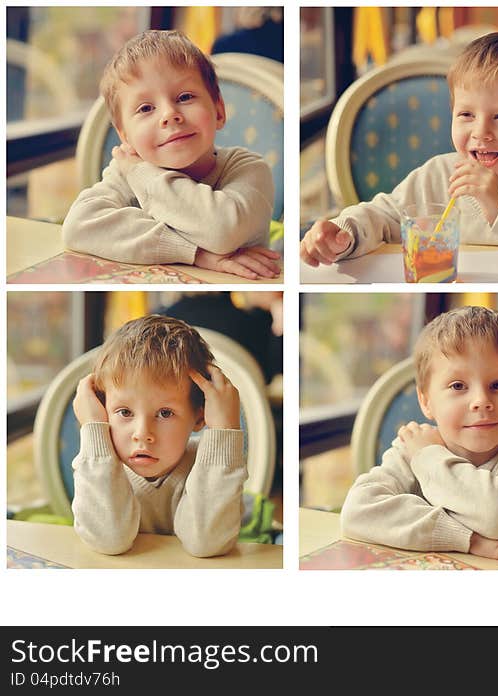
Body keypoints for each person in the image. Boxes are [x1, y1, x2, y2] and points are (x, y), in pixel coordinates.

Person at [300, 32, 498, 275]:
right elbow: (384, 217)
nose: (481, 132)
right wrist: (344, 234)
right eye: (466, 114)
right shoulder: (437, 175)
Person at [340, 305, 498, 567]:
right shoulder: (411, 450)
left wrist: (430, 457)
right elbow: (357, 513)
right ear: (426, 401)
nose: (481, 401)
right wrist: (475, 542)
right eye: (458, 386)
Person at [62, 30, 280, 281]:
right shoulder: (127, 172)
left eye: (184, 97)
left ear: (219, 111)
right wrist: (197, 254)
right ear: (126, 137)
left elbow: (222, 231)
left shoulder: (249, 168)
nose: (169, 114)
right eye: (146, 108)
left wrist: (141, 174)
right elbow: (78, 227)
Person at [71, 314, 247, 557]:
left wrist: (224, 429)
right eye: (124, 412)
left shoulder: (213, 468)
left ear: (199, 416)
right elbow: (108, 541)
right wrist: (92, 427)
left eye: (165, 413)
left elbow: (207, 543)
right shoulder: (101, 468)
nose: (142, 434)